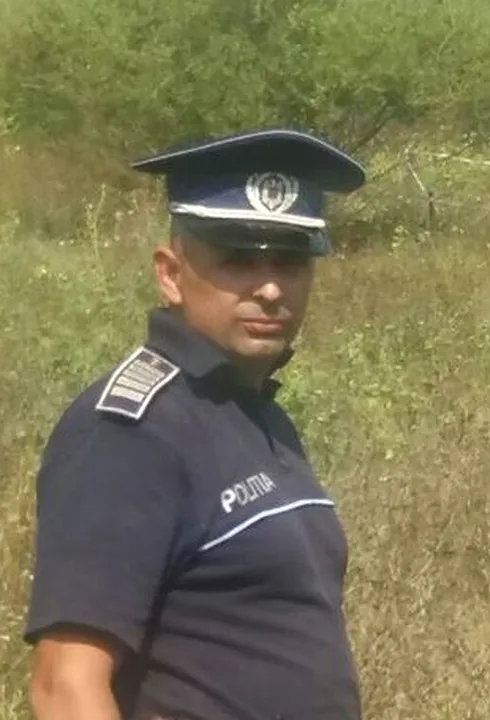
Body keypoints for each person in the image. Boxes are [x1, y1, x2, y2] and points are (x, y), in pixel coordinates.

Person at [22, 127, 368, 720]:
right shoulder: (131, 434)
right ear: (170, 274)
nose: (269, 288)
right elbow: (65, 689)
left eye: (290, 261)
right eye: (237, 259)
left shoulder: (254, 410)